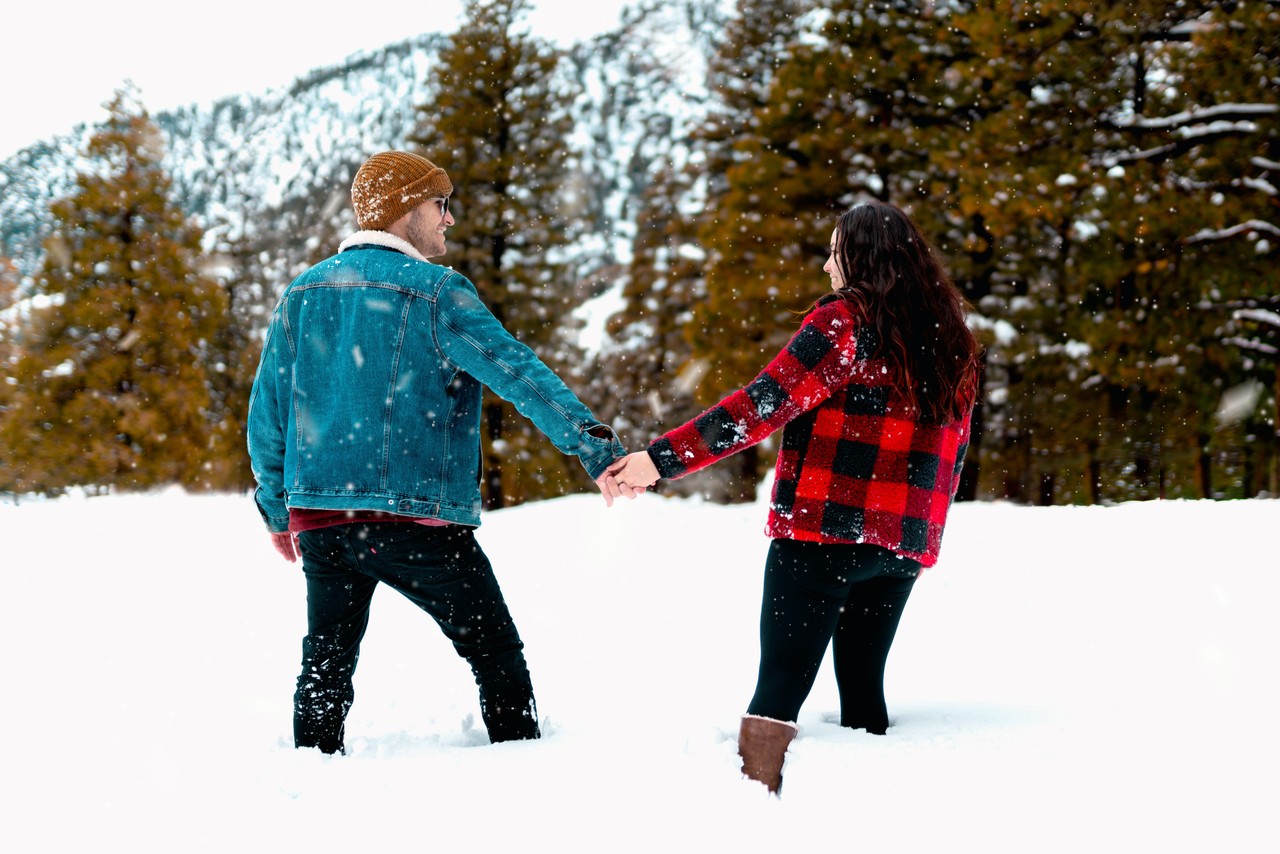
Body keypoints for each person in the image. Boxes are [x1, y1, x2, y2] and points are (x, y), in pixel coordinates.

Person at [247, 150, 631, 755]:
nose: (449, 219)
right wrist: (595, 448)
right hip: (416, 518)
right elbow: (518, 374)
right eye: (439, 204)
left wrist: (278, 513)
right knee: (494, 651)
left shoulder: (303, 293)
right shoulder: (436, 293)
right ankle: (525, 763)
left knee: (325, 662)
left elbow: (267, 416)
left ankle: (310, 774)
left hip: (323, 519)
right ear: (404, 212)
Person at [604, 201, 980, 795]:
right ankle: (871, 809)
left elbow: (760, 406)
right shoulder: (951, 337)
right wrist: (920, 532)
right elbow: (952, 454)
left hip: (824, 534)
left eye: (835, 251)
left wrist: (660, 460)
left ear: (861, 257)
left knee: (778, 692)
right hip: (901, 548)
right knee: (863, 694)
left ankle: (753, 806)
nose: (828, 266)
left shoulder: (846, 323)